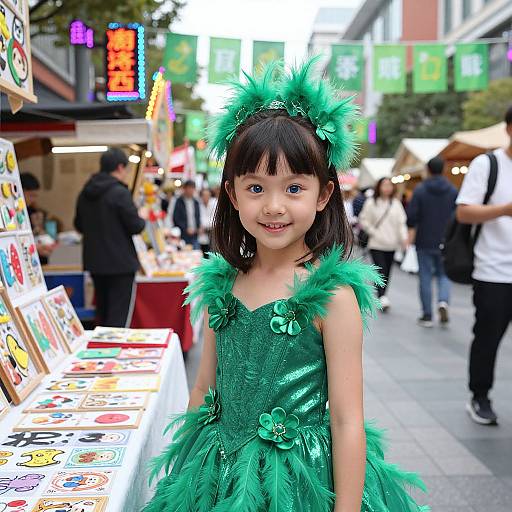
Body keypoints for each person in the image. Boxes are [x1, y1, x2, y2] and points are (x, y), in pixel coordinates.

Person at [144, 61, 427, 512]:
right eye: (256, 187)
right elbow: (202, 388)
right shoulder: (222, 284)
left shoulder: (332, 296)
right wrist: (186, 476)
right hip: (217, 474)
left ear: (323, 194)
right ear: (233, 196)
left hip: (300, 484)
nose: (273, 206)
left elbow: (348, 419)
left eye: (293, 188)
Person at [456, 107, 512, 426]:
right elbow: (464, 212)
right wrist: (503, 210)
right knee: (487, 337)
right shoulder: (487, 164)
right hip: (493, 271)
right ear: (509, 129)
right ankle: (479, 395)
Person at [74, 148, 146, 328]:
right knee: (118, 317)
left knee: (103, 313)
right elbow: (136, 226)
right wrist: (141, 215)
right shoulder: (120, 193)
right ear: (120, 167)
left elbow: (78, 225)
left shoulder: (85, 192)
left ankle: (101, 353)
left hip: (95, 264)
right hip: (120, 265)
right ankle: (113, 352)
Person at [407, 156, 457, 327]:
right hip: (446, 241)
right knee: (444, 275)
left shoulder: (420, 190)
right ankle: (443, 301)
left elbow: (411, 216)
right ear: (443, 169)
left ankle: (427, 315)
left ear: (428, 169)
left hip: (424, 240)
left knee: (425, 277)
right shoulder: (452, 190)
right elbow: (456, 216)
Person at [359, 177, 407, 311]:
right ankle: (382, 296)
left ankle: (383, 295)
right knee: (381, 269)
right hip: (376, 243)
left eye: (389, 185)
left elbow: (401, 223)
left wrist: (404, 239)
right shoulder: (371, 202)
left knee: (388, 271)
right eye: (384, 185)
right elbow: (363, 219)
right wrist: (373, 231)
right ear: (379, 186)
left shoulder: (396, 204)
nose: (387, 188)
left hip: (392, 244)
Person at [20, 172, 57, 264]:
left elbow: (38, 233)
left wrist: (39, 228)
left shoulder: (33, 211)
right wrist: (36, 248)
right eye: (31, 195)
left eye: (35, 196)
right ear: (20, 191)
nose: (33, 200)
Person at [173, 180, 201, 249]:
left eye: (192, 188)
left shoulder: (196, 202)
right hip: (183, 235)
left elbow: (197, 216)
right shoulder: (179, 201)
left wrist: (198, 227)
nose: (191, 190)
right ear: (184, 189)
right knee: (184, 255)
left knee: (196, 253)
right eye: (189, 188)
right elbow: (176, 218)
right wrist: (185, 229)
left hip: (195, 234)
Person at [197, 188, 217, 254]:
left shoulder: (214, 203)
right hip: (202, 233)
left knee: (213, 252)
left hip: (213, 231)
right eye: (204, 195)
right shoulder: (199, 204)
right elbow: (199, 218)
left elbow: (215, 219)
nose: (205, 197)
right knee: (204, 251)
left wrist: (204, 227)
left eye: (207, 195)